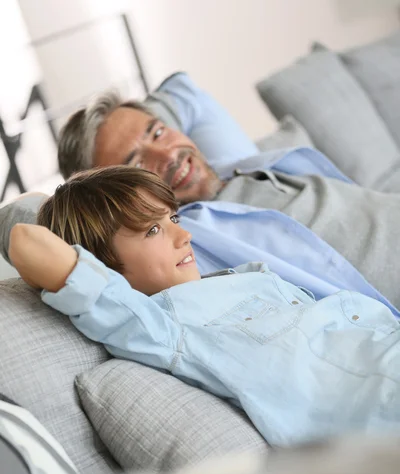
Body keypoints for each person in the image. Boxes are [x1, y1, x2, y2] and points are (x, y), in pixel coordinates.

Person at [9, 166, 400, 447]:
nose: (185, 235)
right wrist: (57, 207)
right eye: (153, 229)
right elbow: (26, 240)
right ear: (101, 263)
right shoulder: (158, 326)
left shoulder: (242, 278)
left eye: (173, 217)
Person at [56, 72, 400, 310]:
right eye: (135, 163)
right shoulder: (191, 240)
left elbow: (184, 89)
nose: (167, 156)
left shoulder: (235, 164)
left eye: (158, 132)